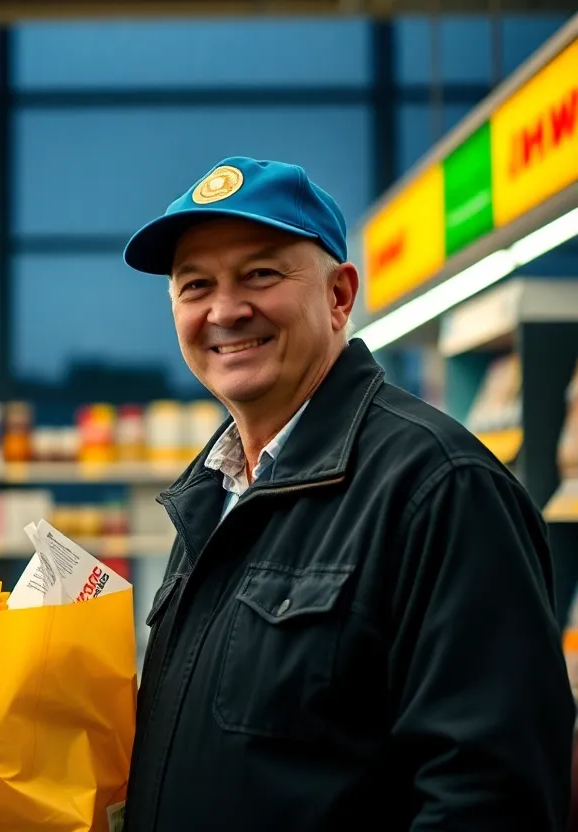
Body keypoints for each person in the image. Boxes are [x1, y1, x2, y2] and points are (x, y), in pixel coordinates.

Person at [120, 156, 575, 830]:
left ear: (339, 296)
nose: (225, 310)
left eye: (261, 274)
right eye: (195, 285)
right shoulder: (212, 495)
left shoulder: (441, 487)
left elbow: (490, 796)